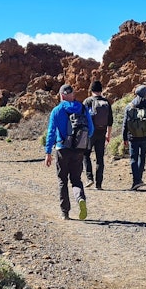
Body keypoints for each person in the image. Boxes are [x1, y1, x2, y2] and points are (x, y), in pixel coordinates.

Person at [45, 84, 94, 220]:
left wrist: (48, 152)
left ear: (61, 95)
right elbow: (91, 130)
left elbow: (51, 132)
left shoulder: (57, 110)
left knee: (62, 180)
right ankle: (80, 198)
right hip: (78, 150)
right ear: (73, 94)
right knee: (76, 179)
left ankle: (65, 212)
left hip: (62, 148)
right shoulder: (83, 108)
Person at [121, 84, 146, 190]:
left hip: (132, 137)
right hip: (145, 136)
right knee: (142, 157)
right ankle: (139, 179)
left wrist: (124, 137)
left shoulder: (130, 106)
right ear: (145, 94)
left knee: (133, 158)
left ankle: (136, 180)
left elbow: (125, 123)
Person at [82, 80, 113, 189]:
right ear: (101, 90)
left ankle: (89, 178)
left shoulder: (87, 101)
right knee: (100, 158)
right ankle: (99, 184)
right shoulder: (106, 102)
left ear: (91, 90)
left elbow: (82, 118)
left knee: (86, 154)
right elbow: (110, 121)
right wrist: (108, 134)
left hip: (90, 133)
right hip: (102, 132)